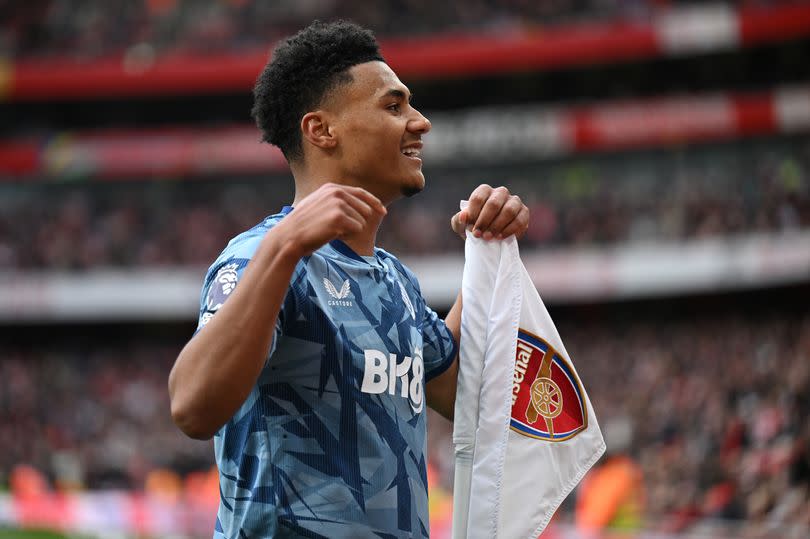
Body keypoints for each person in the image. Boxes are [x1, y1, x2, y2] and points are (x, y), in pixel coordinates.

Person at [168, 20, 529, 539]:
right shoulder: (259, 256)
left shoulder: (395, 281)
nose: (420, 122)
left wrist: (488, 253)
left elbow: (462, 396)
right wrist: (285, 247)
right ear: (321, 130)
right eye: (394, 106)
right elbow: (193, 408)